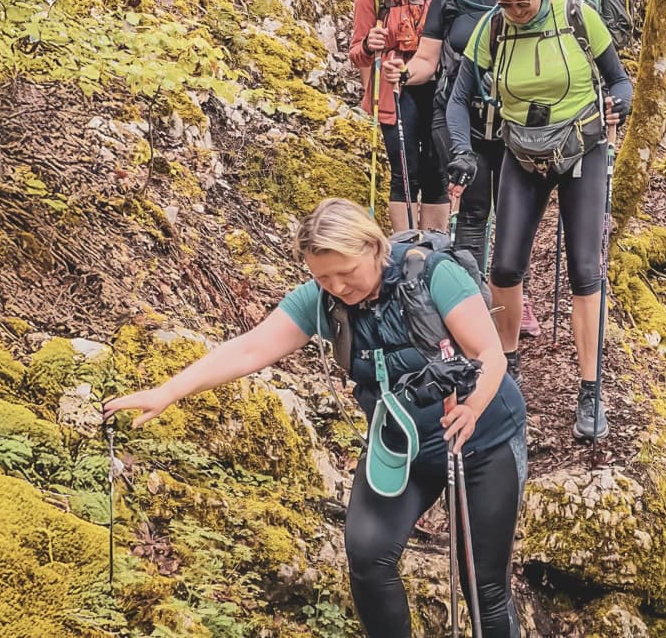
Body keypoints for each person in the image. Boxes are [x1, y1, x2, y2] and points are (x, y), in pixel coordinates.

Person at [104, 198, 527, 638]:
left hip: (482, 441)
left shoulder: (434, 275)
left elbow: (489, 353)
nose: (339, 287)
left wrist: (472, 408)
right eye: (323, 277)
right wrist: (169, 391)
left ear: (373, 247)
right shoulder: (322, 302)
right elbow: (251, 348)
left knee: (484, 586)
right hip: (400, 447)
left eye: (346, 272)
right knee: (367, 557)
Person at [445, 0, 632, 440]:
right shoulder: (495, 27)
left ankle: (590, 391)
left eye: (523, 1)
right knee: (504, 266)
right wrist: (462, 150)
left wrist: (619, 104)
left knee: (585, 269)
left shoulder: (576, 16)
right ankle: (506, 372)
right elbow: (458, 98)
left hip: (580, 151)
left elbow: (620, 80)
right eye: (505, 1)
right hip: (520, 153)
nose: (515, 10)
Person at [384, 0, 543, 337]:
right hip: (457, 117)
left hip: (512, 122)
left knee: (512, 214)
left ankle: (512, 295)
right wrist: (403, 72)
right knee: (472, 210)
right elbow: (427, 60)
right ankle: (474, 301)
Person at [350, 0, 450, 232]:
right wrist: (368, 44)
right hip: (393, 90)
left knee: (437, 171)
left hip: (437, 85)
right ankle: (406, 247)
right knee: (405, 172)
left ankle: (436, 250)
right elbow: (356, 54)